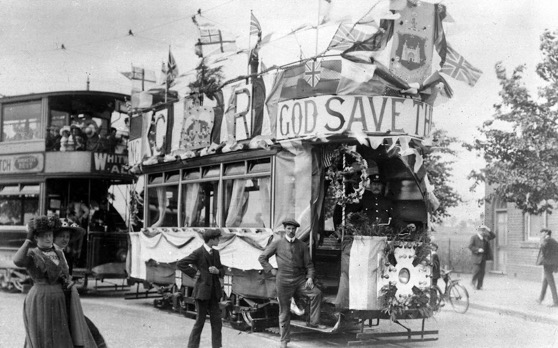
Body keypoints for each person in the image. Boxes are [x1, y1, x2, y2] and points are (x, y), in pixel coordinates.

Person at [13, 215, 97, 348]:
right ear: (36, 238)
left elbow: (63, 274)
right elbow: (17, 261)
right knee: (43, 336)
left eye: (50, 235)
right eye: (44, 236)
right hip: (41, 298)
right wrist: (28, 240)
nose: (48, 239)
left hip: (59, 299)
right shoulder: (33, 254)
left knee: (60, 335)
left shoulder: (58, 253)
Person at [259, 218, 324, 348]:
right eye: (289, 228)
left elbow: (309, 265)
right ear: (285, 229)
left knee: (316, 293)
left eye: (293, 229)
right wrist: (271, 270)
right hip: (283, 281)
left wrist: (310, 277)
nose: (291, 231)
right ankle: (284, 340)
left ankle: (313, 322)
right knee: (284, 311)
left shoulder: (302, 245)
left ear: (296, 230)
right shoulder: (277, 243)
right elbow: (262, 257)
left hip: (300, 280)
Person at [176, 229, 224, 348]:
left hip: (214, 294)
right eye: (218, 238)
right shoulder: (198, 252)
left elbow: (222, 270)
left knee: (217, 323)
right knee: (200, 322)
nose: (219, 240)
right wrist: (194, 273)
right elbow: (181, 263)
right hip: (202, 293)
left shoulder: (216, 253)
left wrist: (218, 271)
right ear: (211, 239)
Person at [468, 225, 496, 290]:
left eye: (483, 230)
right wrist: (478, 250)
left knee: (482, 272)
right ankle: (473, 283)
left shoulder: (485, 237)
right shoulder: (474, 237)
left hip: (483, 258)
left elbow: (493, 236)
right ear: (478, 231)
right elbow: (470, 246)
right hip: (476, 258)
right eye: (481, 231)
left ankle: (479, 286)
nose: (482, 232)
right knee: (476, 271)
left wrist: (488, 229)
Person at [536, 228, 558, 307]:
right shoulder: (553, 241)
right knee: (545, 282)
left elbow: (543, 251)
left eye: (542, 233)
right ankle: (540, 299)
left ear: (546, 233)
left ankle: (556, 302)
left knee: (551, 283)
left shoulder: (546, 241)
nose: (541, 234)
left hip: (547, 265)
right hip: (552, 264)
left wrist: (541, 242)